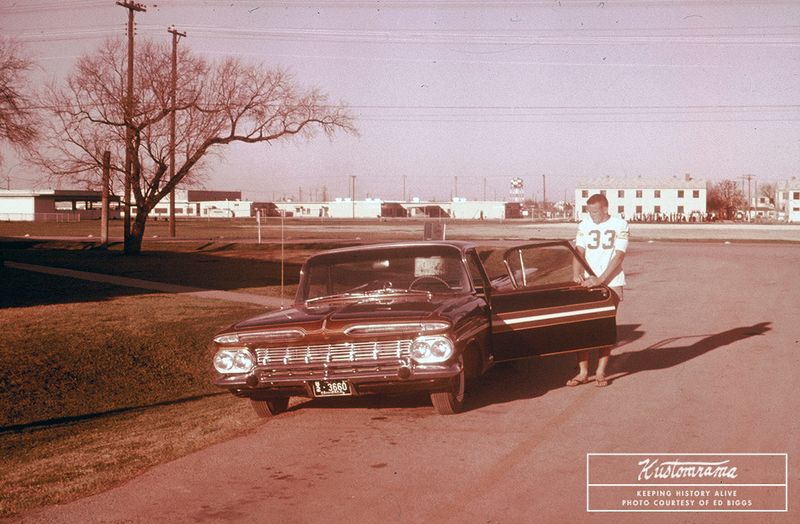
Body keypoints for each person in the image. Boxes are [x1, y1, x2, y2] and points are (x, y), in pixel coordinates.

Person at [569, 193, 629, 387]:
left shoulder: (620, 224)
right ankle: (582, 372)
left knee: (604, 327)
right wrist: (576, 274)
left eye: (595, 211)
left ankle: (601, 371)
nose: (591, 214)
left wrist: (601, 280)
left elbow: (619, 256)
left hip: (611, 283)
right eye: (588, 210)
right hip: (588, 283)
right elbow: (579, 252)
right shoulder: (584, 225)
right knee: (582, 328)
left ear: (605, 208)